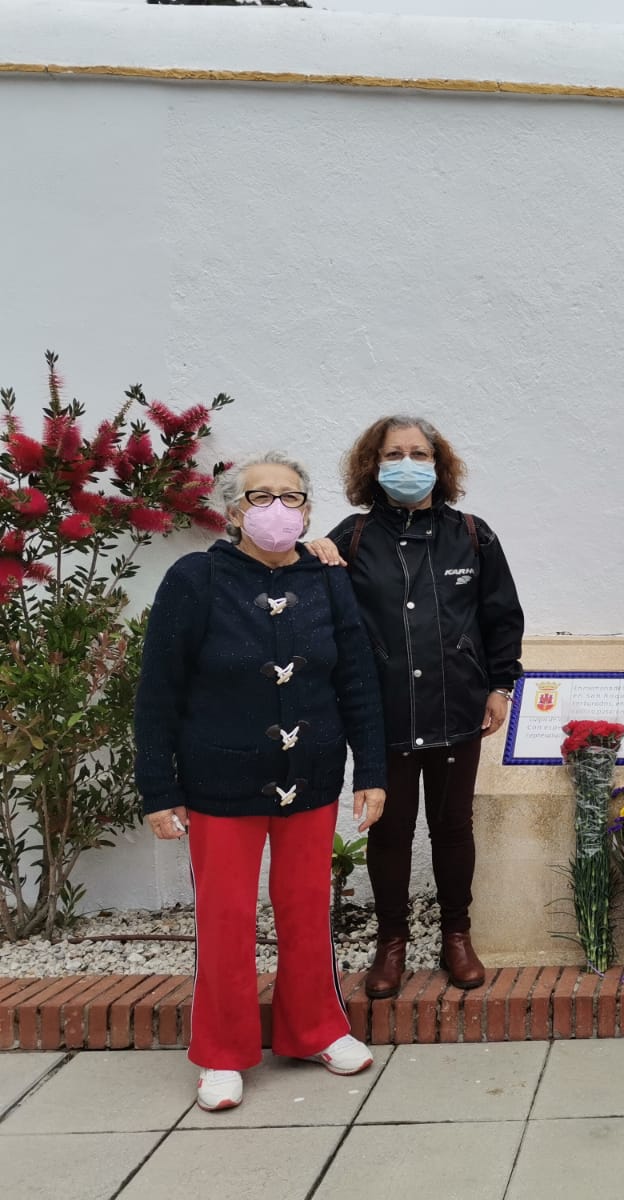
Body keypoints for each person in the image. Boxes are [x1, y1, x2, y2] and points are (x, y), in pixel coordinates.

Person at [135, 452, 386, 1113]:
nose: (277, 508)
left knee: (308, 912)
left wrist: (374, 772)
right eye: (260, 496)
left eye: (291, 496)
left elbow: (356, 679)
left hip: (312, 775)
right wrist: (159, 789)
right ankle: (222, 1053)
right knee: (225, 919)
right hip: (220, 780)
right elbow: (158, 691)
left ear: (306, 508)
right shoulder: (194, 579)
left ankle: (316, 1030)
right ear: (233, 510)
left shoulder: (329, 579)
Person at [307, 416, 525, 998]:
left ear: (439, 463)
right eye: (394, 453)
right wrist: (309, 553)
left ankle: (457, 936)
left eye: (419, 453)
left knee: (453, 829)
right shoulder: (351, 538)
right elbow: (313, 609)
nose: (407, 463)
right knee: (391, 832)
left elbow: (502, 618)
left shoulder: (474, 536)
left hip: (459, 710)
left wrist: (500, 686)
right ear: (373, 466)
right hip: (385, 715)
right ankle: (391, 944)